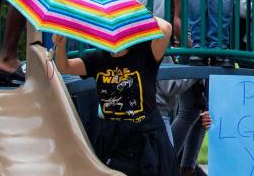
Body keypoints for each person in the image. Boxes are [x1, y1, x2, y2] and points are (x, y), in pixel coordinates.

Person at [52, 18, 179, 176]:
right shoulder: (98, 59)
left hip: (147, 139)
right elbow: (64, 67)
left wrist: (135, 11)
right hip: (114, 140)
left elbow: (166, 28)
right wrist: (61, 45)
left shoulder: (145, 53)